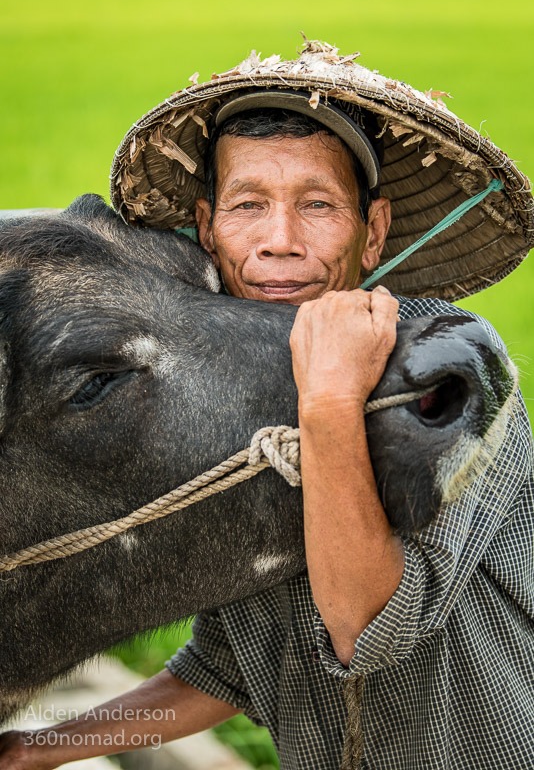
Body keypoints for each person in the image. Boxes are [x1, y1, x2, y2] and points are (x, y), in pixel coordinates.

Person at [0, 40, 532, 770]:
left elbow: (366, 629)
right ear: (208, 222)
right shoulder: (229, 388)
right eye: (249, 205)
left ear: (370, 231)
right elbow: (226, 670)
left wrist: (329, 405)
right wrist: (43, 749)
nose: (279, 242)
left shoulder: (441, 371)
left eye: (317, 205)